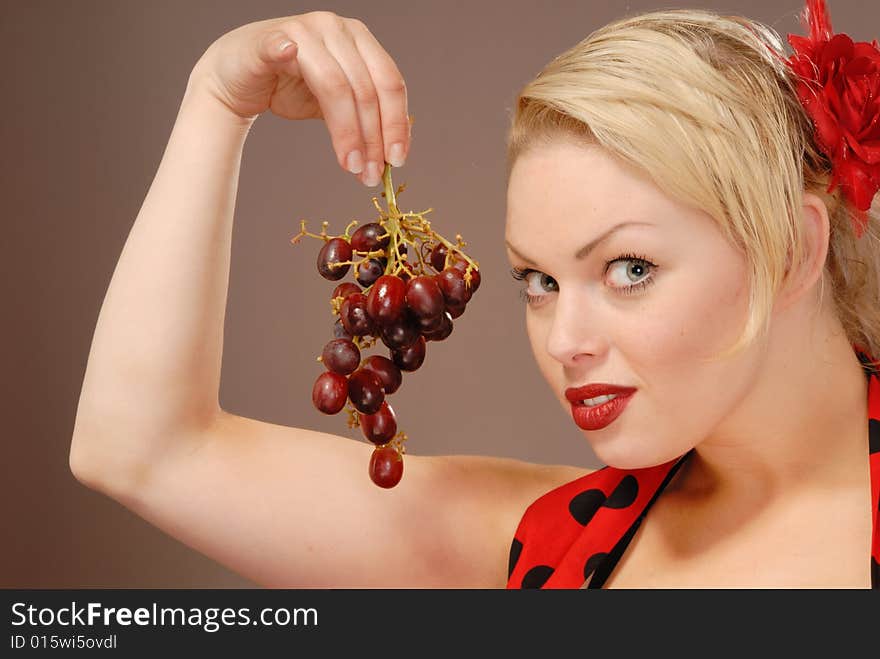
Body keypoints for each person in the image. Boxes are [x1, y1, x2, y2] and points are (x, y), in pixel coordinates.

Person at [69, 1, 880, 588]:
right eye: (540, 281)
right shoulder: (550, 543)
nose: (565, 339)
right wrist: (218, 98)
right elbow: (139, 449)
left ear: (792, 248)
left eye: (629, 268)